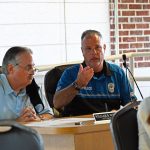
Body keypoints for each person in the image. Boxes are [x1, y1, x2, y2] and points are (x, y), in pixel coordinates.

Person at [53, 29, 137, 117]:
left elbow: (132, 105)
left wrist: (119, 113)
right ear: (82, 51)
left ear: (104, 48)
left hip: (108, 127)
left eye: (98, 47)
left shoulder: (117, 73)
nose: (94, 53)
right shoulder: (70, 73)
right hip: (79, 128)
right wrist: (77, 84)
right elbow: (57, 103)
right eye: (88, 49)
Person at [0, 46, 53, 122]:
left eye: (33, 67)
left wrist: (37, 118)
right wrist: (17, 123)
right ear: (11, 69)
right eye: (28, 68)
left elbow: (49, 114)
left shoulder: (32, 87)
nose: (33, 72)